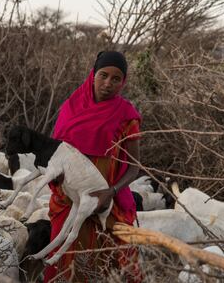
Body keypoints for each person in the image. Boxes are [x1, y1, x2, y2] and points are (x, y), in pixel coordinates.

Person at [44, 51, 142, 282]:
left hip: (107, 203)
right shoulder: (71, 107)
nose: (108, 83)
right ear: (93, 75)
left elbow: (135, 166)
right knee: (66, 263)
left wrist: (111, 192)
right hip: (68, 201)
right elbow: (54, 154)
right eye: (103, 75)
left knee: (113, 263)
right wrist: (62, 185)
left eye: (116, 79)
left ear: (123, 82)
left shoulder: (127, 116)